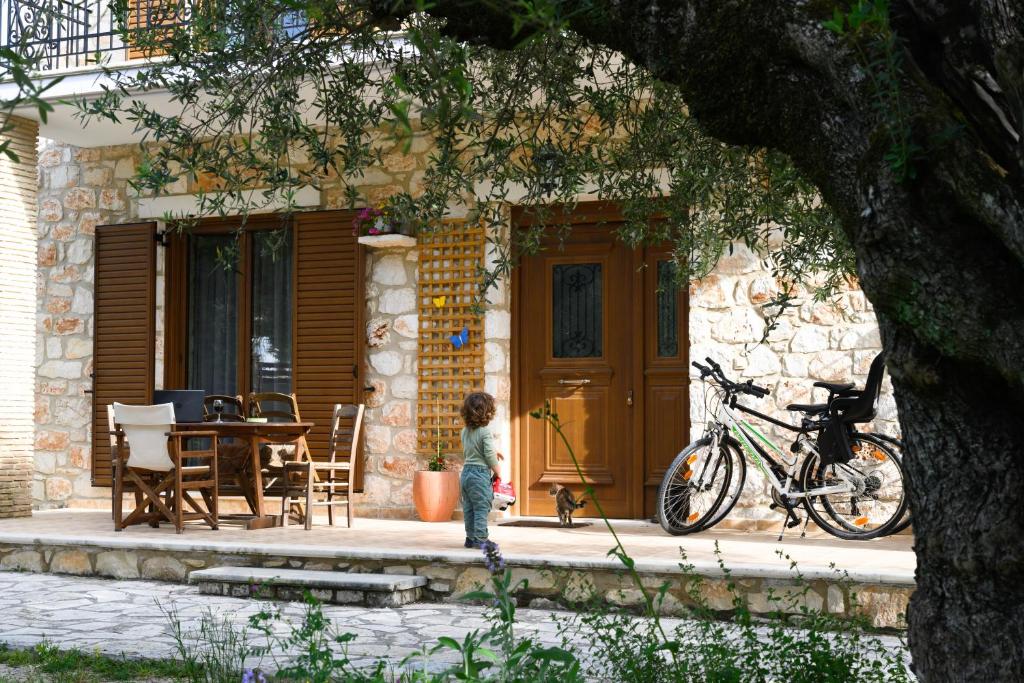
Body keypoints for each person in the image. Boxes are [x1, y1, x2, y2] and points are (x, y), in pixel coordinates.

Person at [459, 391, 504, 548]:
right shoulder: (485, 431)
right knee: (481, 507)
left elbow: (473, 449)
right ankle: (481, 538)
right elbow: (489, 455)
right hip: (479, 474)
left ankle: (470, 538)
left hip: (466, 474)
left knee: (469, 507)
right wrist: (498, 471)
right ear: (486, 412)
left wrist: (493, 450)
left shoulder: (464, 431)